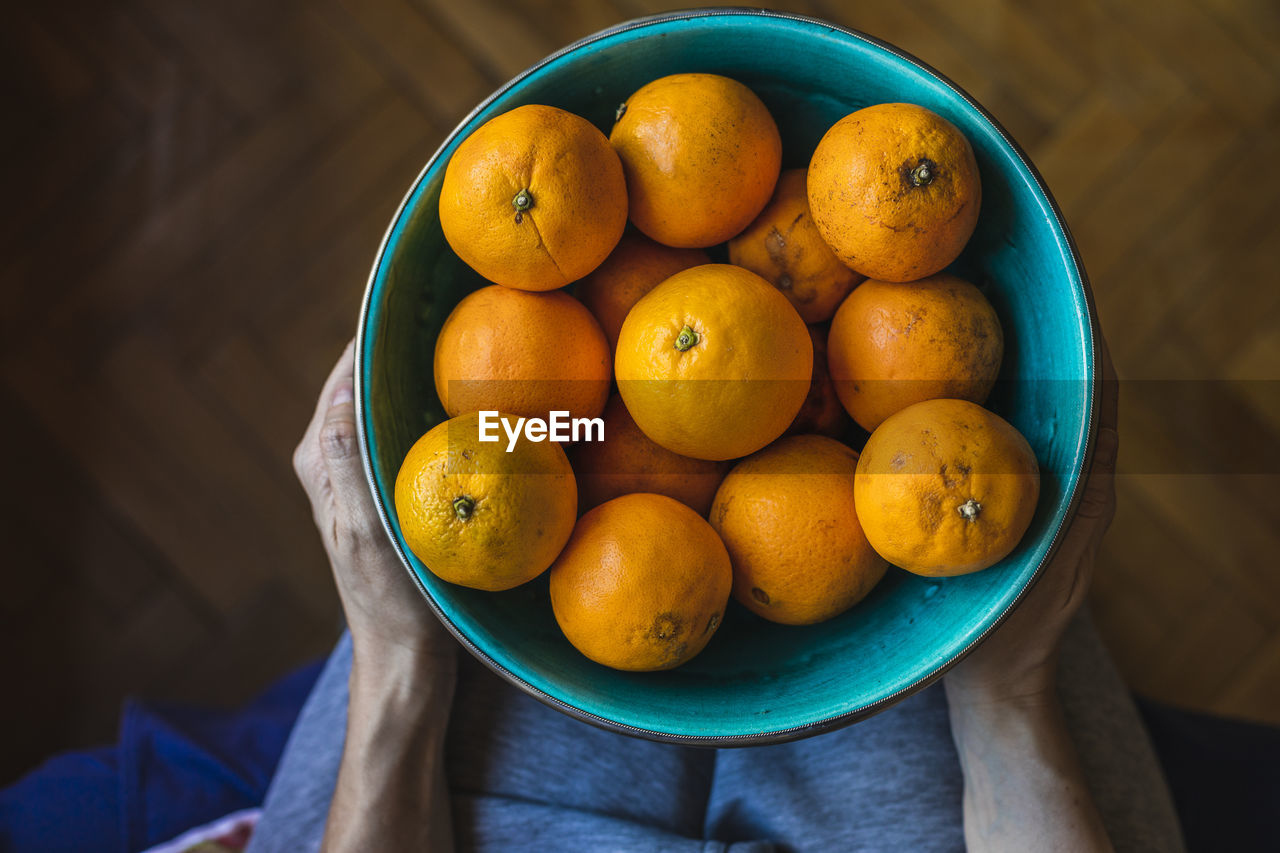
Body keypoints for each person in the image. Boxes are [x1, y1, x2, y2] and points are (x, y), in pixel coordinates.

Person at [248, 338, 1184, 852]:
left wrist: (400, 660)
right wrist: (1006, 696)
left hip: (472, 802)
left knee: (511, 479)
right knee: (960, 540)